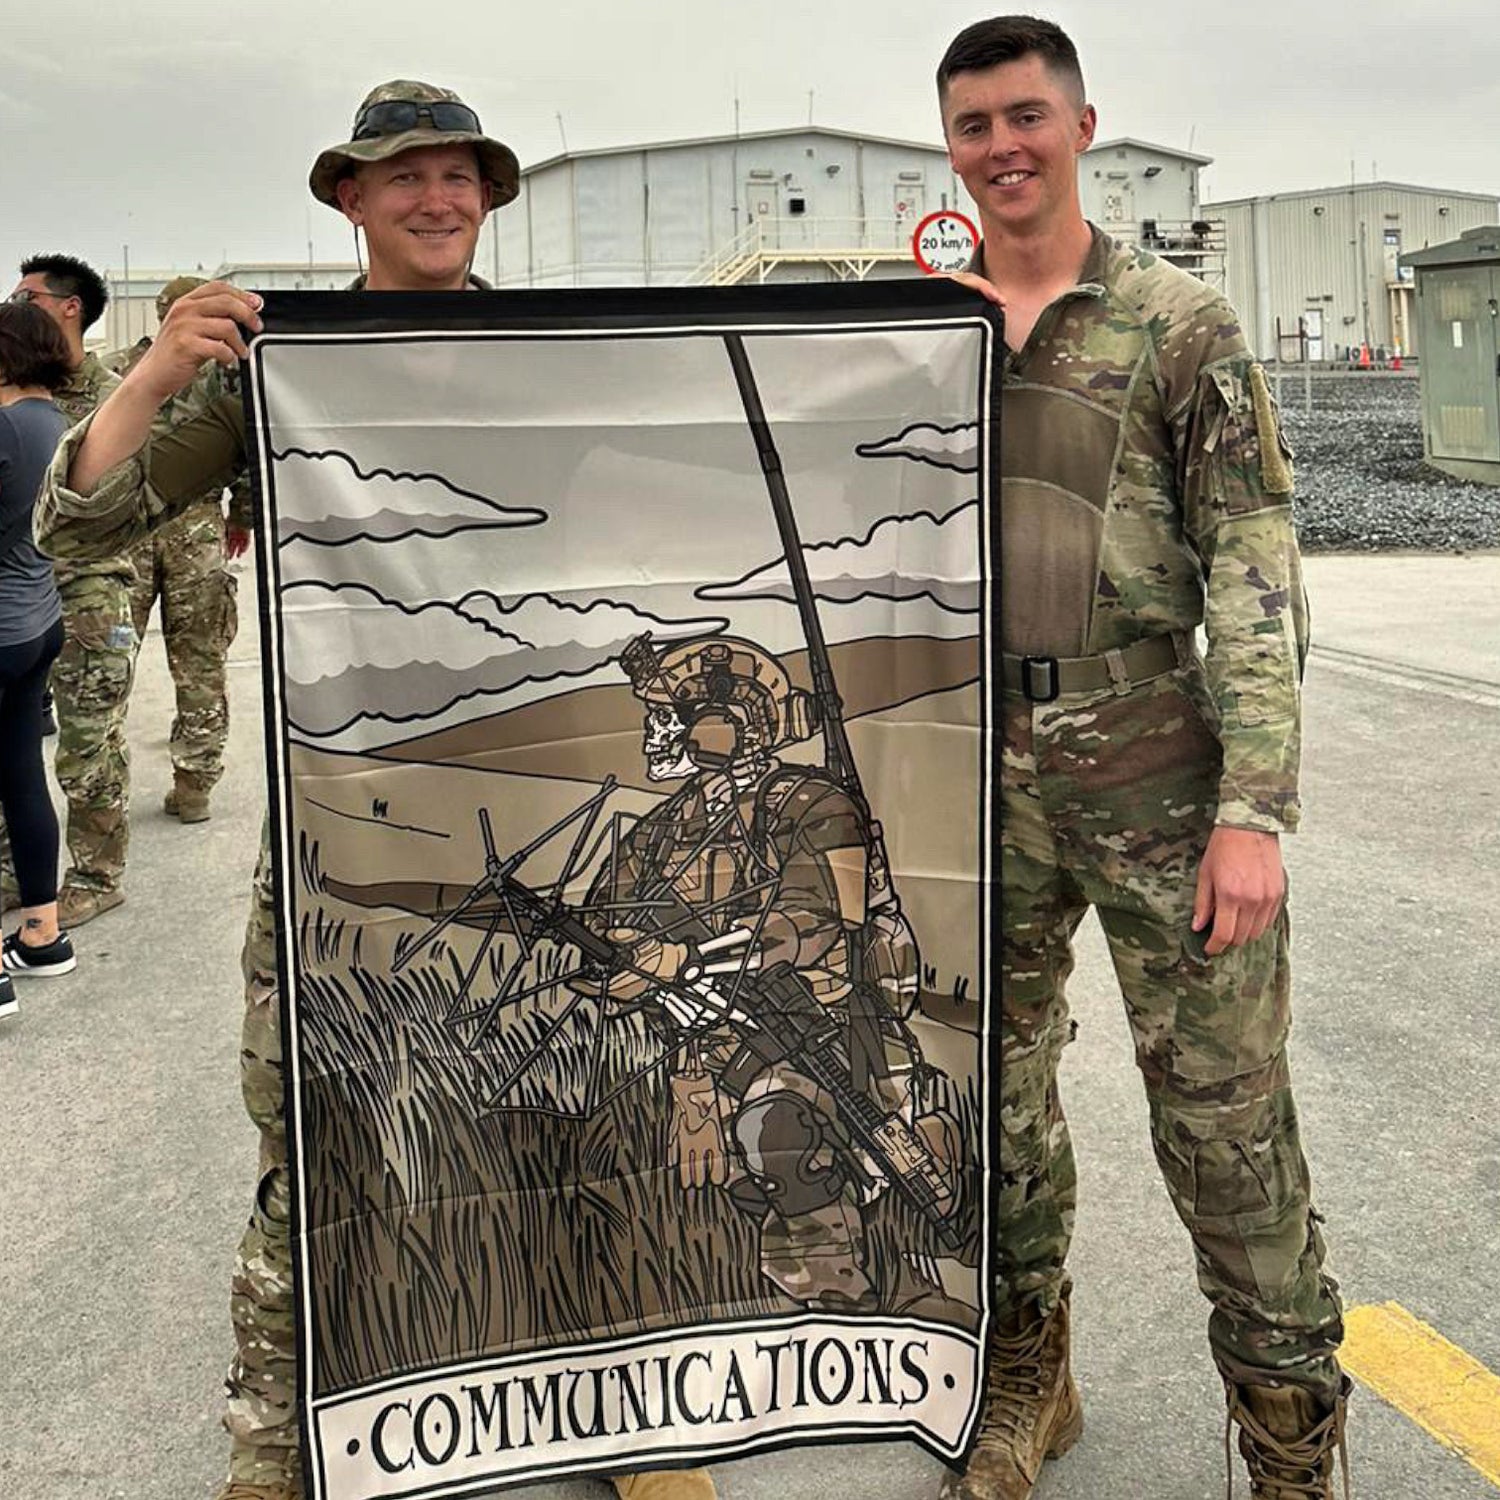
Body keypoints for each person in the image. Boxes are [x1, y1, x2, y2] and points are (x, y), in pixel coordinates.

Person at [37, 81, 717, 1500]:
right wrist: (156, 369)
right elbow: (81, 520)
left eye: (460, 175)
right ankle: (282, 1433)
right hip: (346, 818)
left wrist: (914, 337)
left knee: (594, 1105)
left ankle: (630, 1417)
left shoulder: (563, 360)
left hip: (558, 795)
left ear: (489, 197)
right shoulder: (278, 364)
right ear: (348, 199)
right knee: (320, 1118)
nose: (437, 199)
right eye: (403, 176)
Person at [933, 17, 1348, 1500]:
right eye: (974, 124)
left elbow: (1253, 561)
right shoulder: (924, 332)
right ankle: (1027, 1378)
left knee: (1226, 1122)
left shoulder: (1179, 323)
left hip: (1156, 760)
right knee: (983, 1100)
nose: (1003, 147)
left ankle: (1291, 1443)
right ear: (950, 147)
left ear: (1082, 125)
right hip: (976, 770)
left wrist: (1254, 808)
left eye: (1025, 116)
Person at [7, 253, 133, 929]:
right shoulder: (18, 390)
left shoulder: (115, 395)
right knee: (16, 749)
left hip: (88, 593)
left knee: (87, 745)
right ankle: (16, 872)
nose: (14, 303)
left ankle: (96, 874)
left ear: (69, 307)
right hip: (29, 598)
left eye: (26, 296)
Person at [109, 275, 247, 824]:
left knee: (112, 661)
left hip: (134, 530)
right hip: (197, 530)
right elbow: (250, 449)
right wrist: (243, 516)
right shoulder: (228, 373)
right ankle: (194, 787)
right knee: (200, 663)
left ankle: (103, 791)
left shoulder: (123, 369)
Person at [0, 301, 78, 1016]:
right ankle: (42, 935)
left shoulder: (5, 427)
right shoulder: (60, 424)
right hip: (38, 618)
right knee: (23, 776)